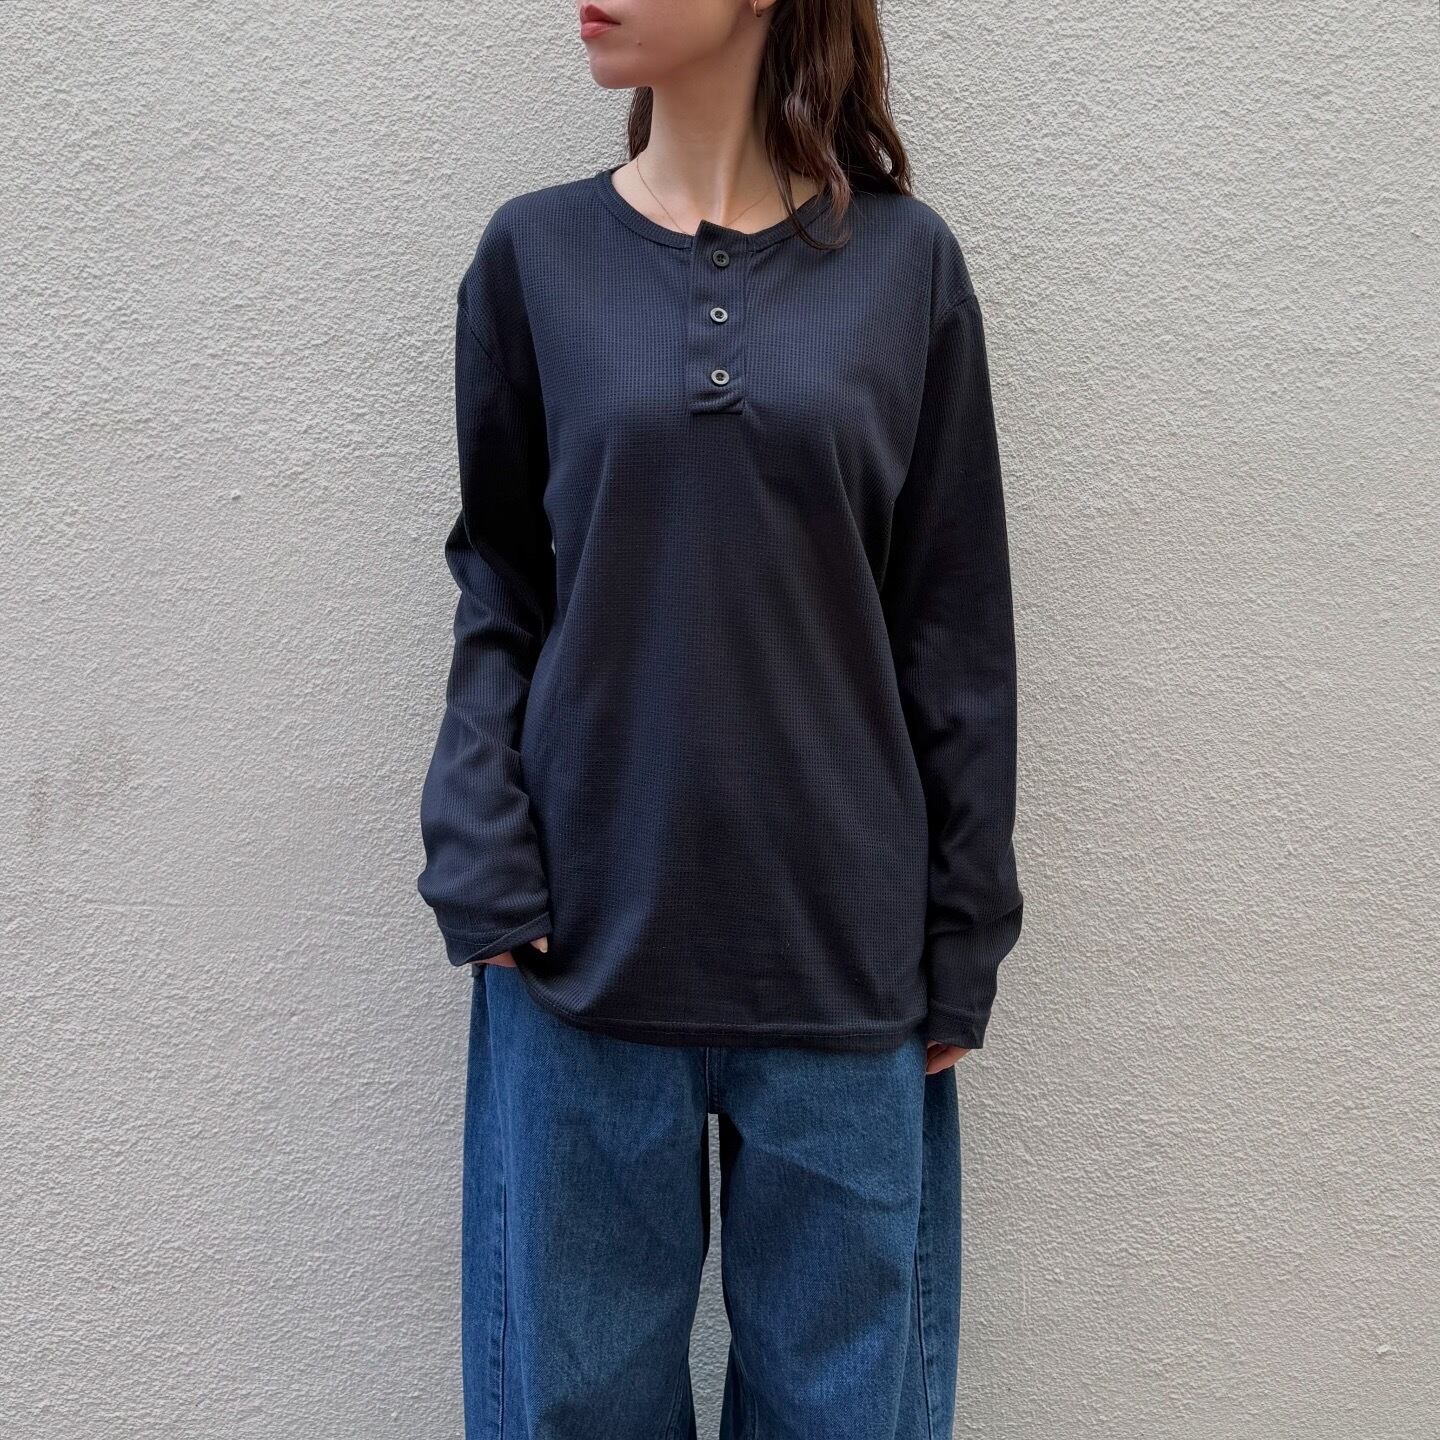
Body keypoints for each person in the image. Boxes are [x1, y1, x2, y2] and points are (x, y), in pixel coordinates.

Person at [416, 2, 1024, 1435]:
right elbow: (500, 582)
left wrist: (961, 941)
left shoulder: (907, 269)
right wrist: (479, 852)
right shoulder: (534, 259)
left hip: (843, 971)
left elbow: (953, 629)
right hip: (580, 959)